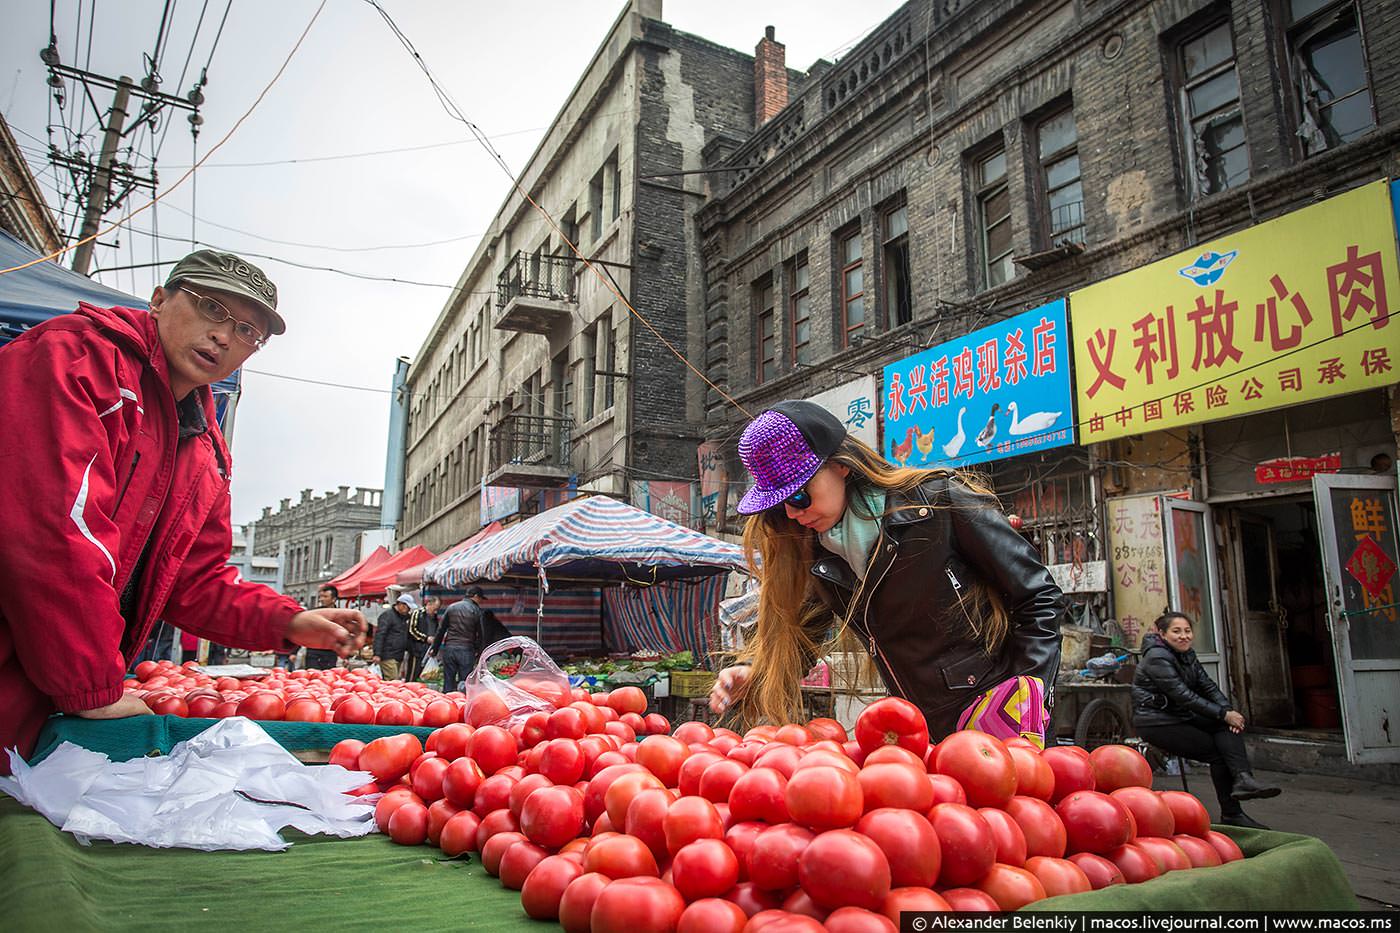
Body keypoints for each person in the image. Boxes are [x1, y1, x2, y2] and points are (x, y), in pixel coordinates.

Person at [0, 250, 367, 769]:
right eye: (211, 309)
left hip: (41, 704)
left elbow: (192, 581)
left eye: (246, 330)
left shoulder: (205, 448)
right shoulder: (74, 359)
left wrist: (291, 622)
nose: (224, 336)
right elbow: (54, 536)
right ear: (158, 301)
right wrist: (90, 684)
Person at [708, 400, 1065, 743]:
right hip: (919, 733)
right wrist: (755, 671)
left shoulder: (937, 503)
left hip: (999, 719)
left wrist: (1026, 695)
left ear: (841, 465)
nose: (792, 513)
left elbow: (1038, 596)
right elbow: (803, 634)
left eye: (800, 495)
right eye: (778, 505)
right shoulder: (820, 555)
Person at [1132, 611, 1281, 828]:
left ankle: (1243, 778)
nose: (1183, 636)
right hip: (1157, 722)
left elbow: (1207, 686)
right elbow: (1182, 695)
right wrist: (1223, 714)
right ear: (1163, 635)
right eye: (1176, 631)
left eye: (1187, 631)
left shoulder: (1187, 655)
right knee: (1217, 752)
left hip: (1179, 716)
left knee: (1227, 727)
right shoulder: (1156, 657)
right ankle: (1232, 813)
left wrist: (1229, 712)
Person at [431, 589, 486, 693]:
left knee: (448, 682)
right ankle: (461, 705)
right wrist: (480, 652)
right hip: (466, 650)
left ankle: (447, 704)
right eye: (480, 599)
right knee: (464, 683)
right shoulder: (476, 610)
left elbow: (441, 630)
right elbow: (481, 635)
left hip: (450, 649)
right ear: (475, 596)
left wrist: (434, 649)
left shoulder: (452, 607)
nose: (481, 601)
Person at [373, 594, 415, 680]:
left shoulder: (404, 618)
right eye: (408, 607)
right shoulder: (387, 616)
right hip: (388, 655)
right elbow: (380, 635)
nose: (409, 610)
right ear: (401, 605)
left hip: (399, 655)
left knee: (393, 682)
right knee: (393, 681)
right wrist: (377, 654)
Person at [304, 586, 344, 670]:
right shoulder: (314, 613)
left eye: (325, 597)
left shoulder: (341, 615)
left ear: (334, 599)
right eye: (320, 597)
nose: (321, 599)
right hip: (313, 653)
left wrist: (345, 656)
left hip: (330, 654)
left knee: (328, 679)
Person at [404, 595, 440, 681]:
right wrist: (426, 638)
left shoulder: (434, 617)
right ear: (429, 604)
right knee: (413, 673)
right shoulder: (417, 613)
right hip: (416, 649)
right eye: (434, 609)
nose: (435, 612)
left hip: (427, 650)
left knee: (423, 675)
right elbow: (412, 630)